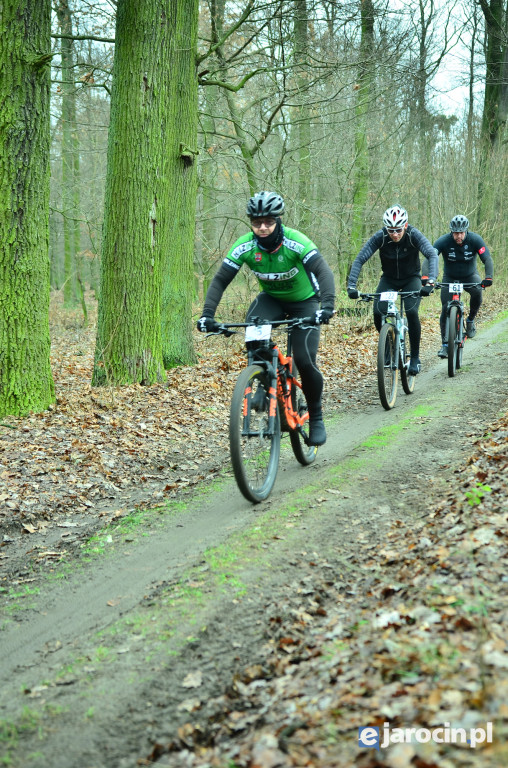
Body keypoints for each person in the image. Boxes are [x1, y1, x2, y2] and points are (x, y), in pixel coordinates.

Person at [197, 191, 336, 446]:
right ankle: (263, 381)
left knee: (304, 360)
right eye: (256, 222)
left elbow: (323, 271)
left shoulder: (296, 242)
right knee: (254, 339)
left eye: (268, 222)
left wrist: (326, 306)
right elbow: (220, 280)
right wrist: (207, 315)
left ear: (278, 220)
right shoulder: (245, 245)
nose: (262, 227)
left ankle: (316, 415)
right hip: (271, 299)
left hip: (304, 302)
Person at [346, 204, 438, 375]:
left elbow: (431, 254)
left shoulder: (413, 235)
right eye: (391, 230)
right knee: (377, 311)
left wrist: (430, 282)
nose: (394, 234)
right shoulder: (380, 237)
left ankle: (416, 358)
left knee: (411, 311)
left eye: (398, 230)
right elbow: (360, 259)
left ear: (405, 225)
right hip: (389, 279)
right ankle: (387, 347)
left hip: (411, 278)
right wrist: (351, 285)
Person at [423, 215, 494, 358]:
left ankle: (470, 320)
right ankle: (444, 345)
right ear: (451, 232)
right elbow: (430, 258)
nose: (459, 236)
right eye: (456, 233)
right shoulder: (443, 241)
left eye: (461, 233)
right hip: (450, 278)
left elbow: (487, 258)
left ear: (466, 231)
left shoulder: (475, 239)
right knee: (445, 308)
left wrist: (488, 276)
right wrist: (427, 277)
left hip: (470, 276)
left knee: (477, 292)